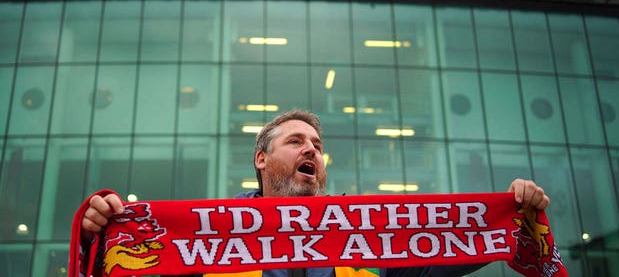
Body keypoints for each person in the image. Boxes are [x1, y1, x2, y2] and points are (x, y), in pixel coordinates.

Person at [81, 110, 551, 277]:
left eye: (318, 146)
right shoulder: (209, 235)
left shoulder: (368, 233)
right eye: (296, 141)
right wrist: (99, 232)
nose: (312, 150)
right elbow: (135, 260)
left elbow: (441, 258)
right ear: (261, 160)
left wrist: (506, 216)